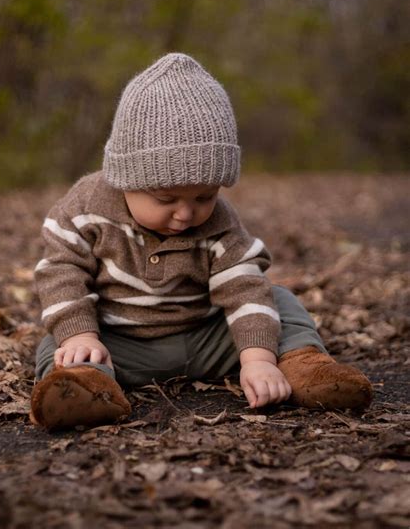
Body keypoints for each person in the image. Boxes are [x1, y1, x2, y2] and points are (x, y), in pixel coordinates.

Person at [30, 53, 372, 430]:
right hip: (121, 343)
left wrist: (258, 359)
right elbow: (60, 269)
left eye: (204, 197)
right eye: (166, 199)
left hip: (209, 338)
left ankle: (303, 367)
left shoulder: (221, 223)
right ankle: (88, 388)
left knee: (278, 300)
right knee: (59, 346)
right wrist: (80, 334)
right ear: (126, 178)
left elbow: (243, 287)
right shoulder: (85, 208)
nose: (186, 214)